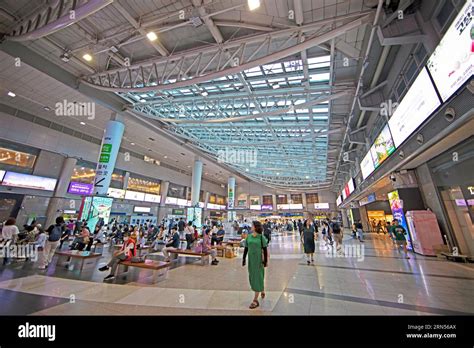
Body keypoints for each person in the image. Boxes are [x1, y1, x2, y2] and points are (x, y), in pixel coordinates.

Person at [242, 221, 268, 309]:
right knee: (253, 276)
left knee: (258, 276)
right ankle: (262, 289)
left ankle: (255, 300)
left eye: (252, 225)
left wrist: (265, 261)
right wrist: (243, 259)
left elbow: (265, 249)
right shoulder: (248, 237)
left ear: (256, 227)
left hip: (259, 260)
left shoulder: (261, 237)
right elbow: (246, 248)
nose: (251, 227)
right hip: (251, 261)